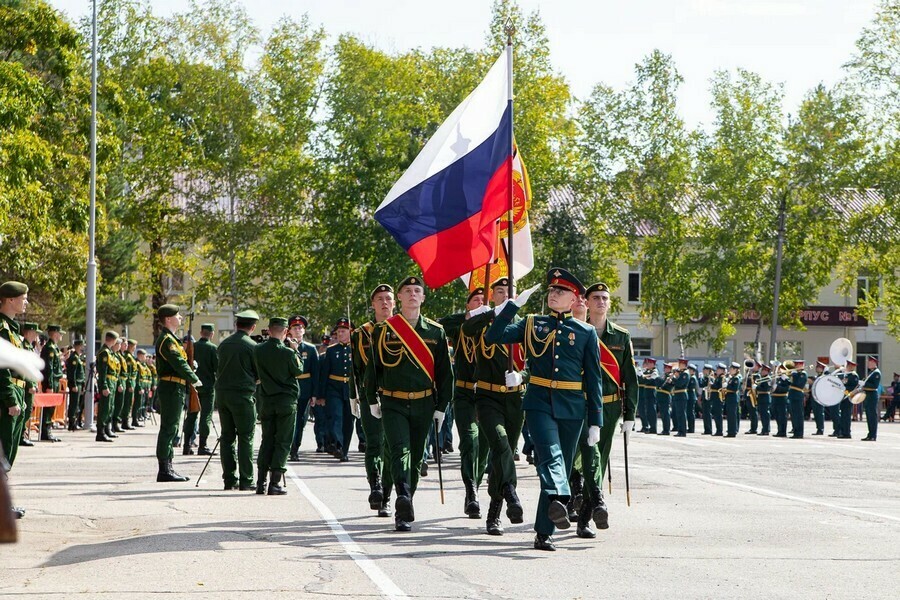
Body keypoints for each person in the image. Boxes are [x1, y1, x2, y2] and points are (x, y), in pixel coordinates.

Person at [485, 268, 603, 552]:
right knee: (551, 458)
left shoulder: (585, 332)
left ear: (574, 299)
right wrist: (512, 305)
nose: (553, 294)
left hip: (572, 407)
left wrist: (596, 421)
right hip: (538, 402)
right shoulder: (531, 323)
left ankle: (543, 532)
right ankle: (561, 496)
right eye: (551, 290)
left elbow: (593, 378)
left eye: (560, 291)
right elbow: (493, 336)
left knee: (557, 467)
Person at [363, 276, 453, 533]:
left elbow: (446, 374)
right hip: (393, 402)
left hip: (424, 402)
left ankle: (406, 500)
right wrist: (371, 400)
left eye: (417, 291)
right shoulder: (383, 330)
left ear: (423, 298)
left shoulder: (436, 331)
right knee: (399, 449)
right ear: (399, 298)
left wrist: (441, 407)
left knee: (415, 457)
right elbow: (373, 369)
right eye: (407, 291)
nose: (412, 294)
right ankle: (402, 495)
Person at [463, 277, 527, 535]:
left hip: (515, 398)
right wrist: (494, 312)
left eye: (509, 292)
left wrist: (524, 376)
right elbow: (466, 330)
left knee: (506, 453)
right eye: (500, 291)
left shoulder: (526, 325)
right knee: (500, 444)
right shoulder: (483, 323)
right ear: (493, 295)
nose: (505, 295)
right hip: (488, 397)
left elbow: (537, 358)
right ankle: (511, 492)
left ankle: (494, 513)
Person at [577, 281, 637, 537]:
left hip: (610, 407)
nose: (601, 301)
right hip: (580, 403)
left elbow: (630, 377)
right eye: (596, 298)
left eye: (605, 298)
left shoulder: (621, 336)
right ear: (586, 302)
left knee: (597, 457)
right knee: (578, 458)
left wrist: (630, 415)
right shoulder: (576, 332)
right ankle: (576, 490)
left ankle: (587, 515)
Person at [439, 286, 489, 520]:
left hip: (488, 394)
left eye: (483, 300)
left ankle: (476, 485)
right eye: (475, 300)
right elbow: (442, 323)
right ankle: (471, 490)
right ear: (467, 305)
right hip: (464, 393)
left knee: (486, 445)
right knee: (470, 440)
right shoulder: (460, 326)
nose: (480, 303)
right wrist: (469, 317)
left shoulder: (493, 326)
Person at [350, 287, 393, 517]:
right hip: (370, 396)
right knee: (374, 443)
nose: (384, 303)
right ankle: (375, 486)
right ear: (373, 305)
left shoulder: (403, 330)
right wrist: (352, 396)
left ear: (394, 303)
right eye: (379, 299)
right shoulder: (360, 333)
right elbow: (355, 368)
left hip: (395, 395)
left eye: (388, 299)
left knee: (391, 447)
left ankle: (386, 494)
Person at [254, 317, 304, 494]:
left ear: (269, 329)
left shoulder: (258, 350)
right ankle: (274, 483)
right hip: (286, 402)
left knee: (267, 439)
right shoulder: (288, 353)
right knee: (282, 441)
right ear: (285, 332)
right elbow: (298, 370)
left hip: (267, 400)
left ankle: (260, 482)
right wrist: (296, 351)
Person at [153, 304, 200, 483]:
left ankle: (168, 467)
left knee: (172, 427)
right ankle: (164, 470)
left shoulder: (172, 339)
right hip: (171, 387)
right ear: (168, 319)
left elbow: (182, 361)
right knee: (169, 428)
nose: (180, 318)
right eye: (177, 315)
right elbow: (178, 363)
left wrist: (191, 367)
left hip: (176, 387)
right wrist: (194, 378)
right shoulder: (167, 340)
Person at [216, 310, 260, 491]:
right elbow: (258, 374)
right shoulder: (252, 346)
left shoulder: (223, 344)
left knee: (227, 437)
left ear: (237, 324)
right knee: (245, 437)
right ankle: (246, 479)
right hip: (242, 395)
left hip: (223, 395)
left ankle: (229, 479)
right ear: (253, 327)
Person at [0, 281, 32, 520]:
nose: (26, 302)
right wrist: (11, 398)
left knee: (8, 451)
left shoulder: (13, 330)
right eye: (23, 298)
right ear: (10, 300)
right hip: (7, 395)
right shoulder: (2, 328)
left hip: (17, 391)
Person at [319, 318, 353, 461]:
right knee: (336, 417)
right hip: (334, 389)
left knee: (348, 422)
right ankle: (338, 445)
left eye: (343, 331)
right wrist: (321, 394)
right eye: (338, 331)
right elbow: (325, 373)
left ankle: (344, 450)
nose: (340, 333)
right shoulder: (332, 350)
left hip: (350, 389)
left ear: (350, 332)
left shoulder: (355, 348)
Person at [288, 315, 319, 461]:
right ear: (290, 330)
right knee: (288, 419)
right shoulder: (285, 346)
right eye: (295, 327)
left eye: (300, 327)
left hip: (305, 388)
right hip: (289, 387)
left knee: (300, 420)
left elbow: (316, 373)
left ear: (304, 330)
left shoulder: (311, 349)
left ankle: (295, 448)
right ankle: (287, 446)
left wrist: (314, 393)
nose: (298, 330)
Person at [187, 324, 218, 456]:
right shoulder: (213, 348)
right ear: (212, 334)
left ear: (200, 332)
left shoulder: (192, 347)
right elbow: (217, 368)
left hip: (194, 386)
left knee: (191, 415)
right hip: (208, 386)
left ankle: (186, 444)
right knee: (206, 416)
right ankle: (202, 445)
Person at [39, 324, 65, 441]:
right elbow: (48, 368)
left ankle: (47, 430)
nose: (61, 336)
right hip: (51, 380)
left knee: (52, 407)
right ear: (54, 333)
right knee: (48, 407)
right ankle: (45, 431)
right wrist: (49, 385)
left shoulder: (54, 347)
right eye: (59, 333)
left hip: (54, 380)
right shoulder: (49, 348)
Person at [95, 331, 120, 442]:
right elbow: (103, 371)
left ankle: (107, 429)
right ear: (113, 340)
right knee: (104, 407)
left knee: (110, 407)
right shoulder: (104, 352)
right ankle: (100, 432)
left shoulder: (110, 352)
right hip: (107, 381)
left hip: (112, 382)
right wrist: (104, 386)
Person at [19, 323, 39, 446]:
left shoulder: (30, 347)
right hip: (26, 385)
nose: (36, 335)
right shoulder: (24, 347)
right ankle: (20, 435)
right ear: (28, 332)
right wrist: (31, 384)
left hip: (29, 383)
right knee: (25, 411)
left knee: (28, 410)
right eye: (35, 332)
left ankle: (22, 434)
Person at [65, 339, 86, 431]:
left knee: (78, 404)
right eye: (81, 346)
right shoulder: (74, 358)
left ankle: (76, 421)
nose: (82, 348)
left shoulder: (78, 357)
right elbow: (72, 373)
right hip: (76, 383)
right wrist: (73, 384)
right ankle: (72, 423)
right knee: (74, 404)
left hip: (79, 383)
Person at [119, 339, 139, 431]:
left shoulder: (130, 356)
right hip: (128, 382)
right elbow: (128, 372)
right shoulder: (127, 357)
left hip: (132, 382)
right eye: (134, 346)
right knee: (127, 403)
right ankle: (124, 421)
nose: (135, 348)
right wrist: (130, 384)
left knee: (129, 403)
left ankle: (126, 421)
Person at [861, 356, 882, 442]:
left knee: (872, 416)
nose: (868, 364)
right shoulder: (871, 372)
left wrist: (864, 385)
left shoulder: (876, 373)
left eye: (869, 362)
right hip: (868, 396)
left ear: (874, 363)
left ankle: (873, 435)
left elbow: (874, 386)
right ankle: (870, 434)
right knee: (869, 416)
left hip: (872, 395)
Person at [639, 358, 660, 434]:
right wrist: (645, 376)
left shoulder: (655, 372)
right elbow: (641, 380)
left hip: (651, 392)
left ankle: (653, 428)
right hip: (646, 392)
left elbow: (648, 380)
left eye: (650, 363)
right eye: (648, 363)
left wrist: (644, 377)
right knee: (648, 411)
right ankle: (650, 427)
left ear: (654, 364)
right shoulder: (647, 371)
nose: (648, 365)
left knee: (652, 411)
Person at [787, 359, 807, 439]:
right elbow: (791, 383)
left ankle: (799, 433)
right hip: (793, 395)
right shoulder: (795, 374)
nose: (795, 366)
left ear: (801, 365)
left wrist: (794, 375)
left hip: (798, 395)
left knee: (798, 415)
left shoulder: (803, 374)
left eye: (797, 365)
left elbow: (798, 383)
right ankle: (795, 431)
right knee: (793, 415)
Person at [809, 358, 829, 435]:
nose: (817, 368)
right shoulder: (818, 376)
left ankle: (821, 429)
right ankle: (818, 428)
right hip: (815, 397)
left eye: (819, 367)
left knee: (820, 413)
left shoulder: (824, 376)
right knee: (816, 413)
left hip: (820, 397)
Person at [671, 358, 690, 437]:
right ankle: (680, 430)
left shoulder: (685, 374)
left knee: (681, 414)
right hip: (678, 395)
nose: (679, 365)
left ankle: (683, 431)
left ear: (684, 365)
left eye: (681, 364)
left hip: (682, 394)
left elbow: (679, 384)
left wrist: (674, 378)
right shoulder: (681, 373)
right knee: (678, 414)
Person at [771, 362, 790, 437]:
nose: (778, 371)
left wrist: (778, 387)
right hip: (775, 398)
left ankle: (783, 432)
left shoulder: (785, 378)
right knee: (776, 415)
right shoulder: (776, 378)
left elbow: (787, 388)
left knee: (782, 416)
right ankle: (779, 430)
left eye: (779, 369)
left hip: (782, 398)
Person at [724, 362, 742, 437]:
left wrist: (726, 387)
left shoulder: (736, 378)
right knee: (730, 416)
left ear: (735, 370)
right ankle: (730, 431)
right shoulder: (732, 378)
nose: (730, 370)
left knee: (732, 416)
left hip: (733, 398)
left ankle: (732, 431)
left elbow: (734, 388)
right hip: (730, 398)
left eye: (731, 369)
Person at [754, 363, 773, 436]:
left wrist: (756, 387)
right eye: (762, 370)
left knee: (765, 414)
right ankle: (764, 429)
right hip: (761, 397)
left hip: (765, 397)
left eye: (763, 370)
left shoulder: (767, 378)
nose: (761, 371)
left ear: (767, 372)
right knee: (762, 414)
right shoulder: (761, 378)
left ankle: (766, 429)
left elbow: (766, 388)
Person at [657, 363, 674, 435]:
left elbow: (669, 386)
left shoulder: (671, 377)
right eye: (665, 368)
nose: (665, 369)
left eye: (667, 368)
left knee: (666, 414)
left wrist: (668, 380)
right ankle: (664, 429)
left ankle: (667, 430)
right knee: (663, 414)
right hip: (661, 396)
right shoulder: (664, 376)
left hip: (666, 396)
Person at [709, 363, 726, 436]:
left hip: (718, 398)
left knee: (718, 415)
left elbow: (718, 386)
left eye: (718, 369)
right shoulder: (718, 377)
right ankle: (718, 430)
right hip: (715, 398)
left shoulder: (722, 377)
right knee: (716, 415)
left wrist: (711, 384)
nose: (717, 370)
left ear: (722, 370)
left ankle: (719, 431)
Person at [699, 364, 713, 435]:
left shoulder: (710, 378)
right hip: (705, 397)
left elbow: (704, 384)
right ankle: (706, 429)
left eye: (705, 370)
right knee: (705, 414)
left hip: (709, 398)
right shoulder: (705, 377)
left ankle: (709, 429)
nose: (703, 371)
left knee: (707, 414)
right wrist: (700, 378)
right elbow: (701, 385)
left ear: (708, 370)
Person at [686, 363, 699, 434]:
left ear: (693, 371)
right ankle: (690, 427)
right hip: (689, 396)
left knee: (690, 412)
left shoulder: (692, 378)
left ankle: (691, 428)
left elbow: (690, 387)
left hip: (691, 396)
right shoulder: (690, 377)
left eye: (690, 370)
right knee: (689, 412)